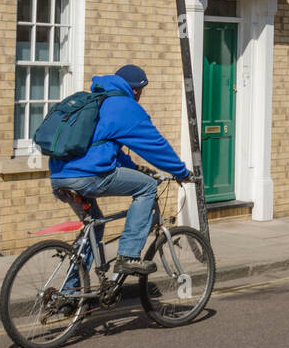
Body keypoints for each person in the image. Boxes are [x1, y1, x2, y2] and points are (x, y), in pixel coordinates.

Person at [49, 64, 192, 278]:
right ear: (135, 90)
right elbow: (155, 146)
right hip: (87, 176)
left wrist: (135, 168)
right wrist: (181, 172)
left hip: (59, 176)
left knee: (94, 226)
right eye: (142, 91)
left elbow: (105, 147)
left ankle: (72, 292)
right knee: (148, 187)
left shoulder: (95, 100)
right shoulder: (126, 107)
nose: (141, 96)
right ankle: (129, 256)